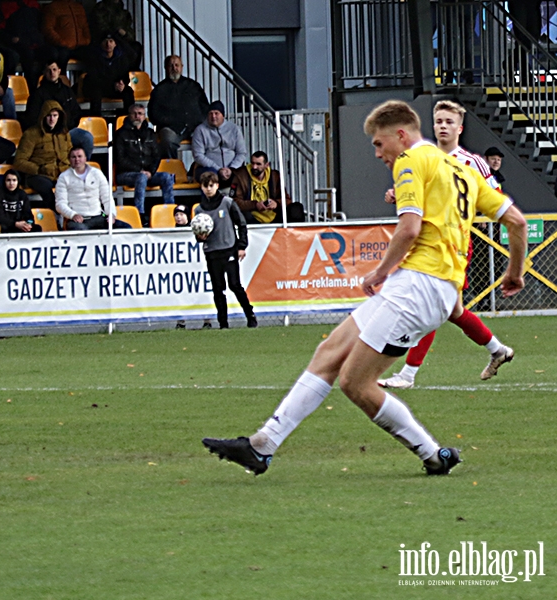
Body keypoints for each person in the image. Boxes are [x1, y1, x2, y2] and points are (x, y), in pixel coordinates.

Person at [202, 100, 527, 479]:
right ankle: (262, 445)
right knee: (330, 351)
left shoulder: (411, 161)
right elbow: (517, 222)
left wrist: (378, 273)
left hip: (418, 287)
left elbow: (409, 229)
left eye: (378, 143)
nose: (377, 153)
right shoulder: (463, 172)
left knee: (355, 383)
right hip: (428, 287)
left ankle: (432, 454)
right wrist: (514, 272)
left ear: (401, 135)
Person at [379, 100, 513, 389]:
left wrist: (467, 212)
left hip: (454, 244)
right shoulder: (423, 157)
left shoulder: (472, 162)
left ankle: (408, 374)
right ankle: (498, 350)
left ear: (460, 128)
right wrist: (398, 194)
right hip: (428, 241)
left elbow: (495, 195)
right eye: (438, 121)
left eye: (449, 122)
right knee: (451, 311)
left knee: (431, 307)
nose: (442, 126)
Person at [192, 171, 257, 329]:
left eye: (211, 185)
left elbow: (241, 224)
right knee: (217, 288)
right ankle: (223, 323)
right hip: (212, 252)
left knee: (234, 285)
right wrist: (200, 238)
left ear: (217, 186)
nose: (208, 189)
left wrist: (242, 246)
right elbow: (198, 233)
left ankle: (250, 314)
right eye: (205, 186)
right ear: (201, 187)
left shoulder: (227, 203)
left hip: (229, 249)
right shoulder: (199, 210)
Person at [114, 103, 174, 225]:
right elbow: (120, 159)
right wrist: (139, 171)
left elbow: (156, 156)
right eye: (134, 113)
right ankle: (140, 215)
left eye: (140, 114)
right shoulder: (120, 134)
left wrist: (150, 172)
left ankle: (171, 211)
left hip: (147, 174)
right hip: (126, 174)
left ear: (144, 116)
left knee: (167, 177)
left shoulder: (150, 134)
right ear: (129, 115)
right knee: (140, 178)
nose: (137, 116)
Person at [23, 60, 93, 159]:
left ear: (59, 71)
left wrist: (67, 127)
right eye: (49, 70)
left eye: (54, 69)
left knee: (86, 138)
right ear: (44, 72)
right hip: (47, 133)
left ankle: (82, 170)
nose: (52, 73)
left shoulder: (67, 91)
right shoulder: (37, 94)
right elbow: (32, 118)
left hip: (67, 131)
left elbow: (76, 112)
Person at [148, 55, 209, 159]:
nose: (174, 68)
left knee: (209, 138)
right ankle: (172, 170)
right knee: (167, 141)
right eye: (171, 66)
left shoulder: (193, 86)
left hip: (194, 127)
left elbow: (205, 107)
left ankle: (201, 169)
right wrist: (168, 121)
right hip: (171, 128)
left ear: (182, 67)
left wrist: (199, 122)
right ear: (166, 68)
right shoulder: (159, 90)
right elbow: (153, 114)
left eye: (177, 65)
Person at [56, 146, 131, 231]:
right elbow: (60, 204)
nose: (77, 159)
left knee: (126, 228)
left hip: (99, 216)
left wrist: (111, 214)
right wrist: (72, 215)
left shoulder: (97, 173)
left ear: (85, 158)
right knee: (84, 233)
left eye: (80, 156)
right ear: (69, 159)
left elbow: (107, 198)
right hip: (78, 220)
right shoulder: (63, 177)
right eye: (73, 157)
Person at [14, 100, 71, 210]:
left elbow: (70, 153)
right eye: (48, 115)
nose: (51, 119)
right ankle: (54, 214)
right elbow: (19, 161)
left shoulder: (64, 133)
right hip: (38, 175)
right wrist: (39, 169)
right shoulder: (31, 134)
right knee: (45, 186)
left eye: (55, 115)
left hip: (61, 172)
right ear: (43, 116)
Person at [230, 151, 304, 224]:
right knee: (241, 214)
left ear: (266, 165)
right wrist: (255, 205)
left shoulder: (275, 176)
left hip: (273, 215)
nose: (254, 167)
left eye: (258, 164)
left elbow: (287, 200)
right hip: (252, 216)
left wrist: (276, 203)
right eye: (252, 163)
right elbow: (234, 202)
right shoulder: (240, 175)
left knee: (297, 208)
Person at [192, 101, 247, 189]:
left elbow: (241, 153)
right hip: (210, 168)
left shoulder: (234, 129)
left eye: (216, 113)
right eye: (211, 114)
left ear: (223, 115)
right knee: (208, 176)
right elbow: (198, 155)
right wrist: (218, 169)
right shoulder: (200, 130)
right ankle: (209, 202)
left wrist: (232, 168)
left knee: (245, 176)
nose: (213, 116)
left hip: (232, 169)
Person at [80, 32, 135, 117]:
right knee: (95, 93)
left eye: (111, 41)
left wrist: (122, 84)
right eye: (105, 41)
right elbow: (94, 79)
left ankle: (128, 118)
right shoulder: (94, 58)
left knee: (128, 92)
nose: (108, 44)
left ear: (115, 44)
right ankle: (97, 120)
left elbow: (125, 76)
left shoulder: (121, 59)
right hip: (99, 87)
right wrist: (113, 85)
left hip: (114, 88)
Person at [40, 0, 90, 72]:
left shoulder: (79, 7)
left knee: (93, 54)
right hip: (62, 48)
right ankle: (62, 80)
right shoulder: (53, 7)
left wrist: (87, 40)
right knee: (61, 57)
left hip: (80, 46)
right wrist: (61, 42)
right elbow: (47, 29)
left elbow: (85, 27)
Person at [0, 169, 41, 233]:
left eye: (14, 180)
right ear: (4, 181)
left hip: (18, 225)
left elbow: (29, 215)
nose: (11, 183)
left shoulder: (22, 194)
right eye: (8, 180)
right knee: (4, 228)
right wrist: (15, 224)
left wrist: (28, 224)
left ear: (18, 181)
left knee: (37, 228)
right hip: (5, 225)